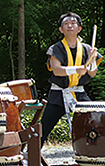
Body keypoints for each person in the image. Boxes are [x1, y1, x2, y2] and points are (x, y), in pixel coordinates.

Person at [41, 12, 102, 146]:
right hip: (59, 94)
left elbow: (92, 73)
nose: (70, 26)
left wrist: (92, 60)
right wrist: (76, 69)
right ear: (61, 29)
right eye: (66, 24)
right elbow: (56, 70)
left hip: (79, 93)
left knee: (95, 124)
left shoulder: (87, 49)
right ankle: (30, 156)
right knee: (44, 128)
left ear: (79, 28)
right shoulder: (56, 48)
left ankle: (93, 157)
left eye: (73, 23)